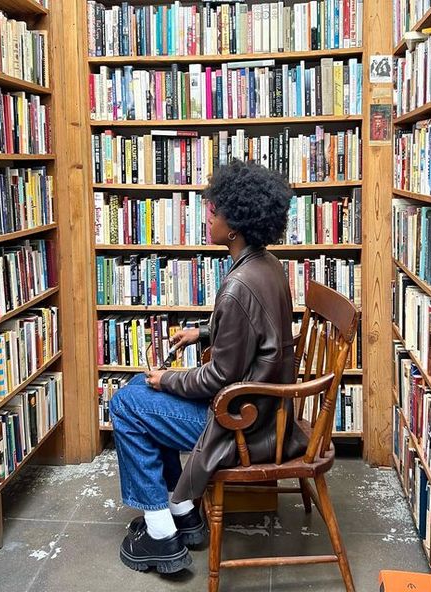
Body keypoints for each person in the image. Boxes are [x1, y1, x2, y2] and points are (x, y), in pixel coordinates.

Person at [109, 159, 308, 574]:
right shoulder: (265, 265)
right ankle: (183, 511)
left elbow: (219, 378)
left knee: (127, 404)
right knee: (137, 391)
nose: (207, 218)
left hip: (242, 424)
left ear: (233, 224)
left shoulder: (238, 286)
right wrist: (201, 334)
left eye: (212, 211)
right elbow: (254, 338)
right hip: (264, 411)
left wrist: (168, 378)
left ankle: (163, 535)